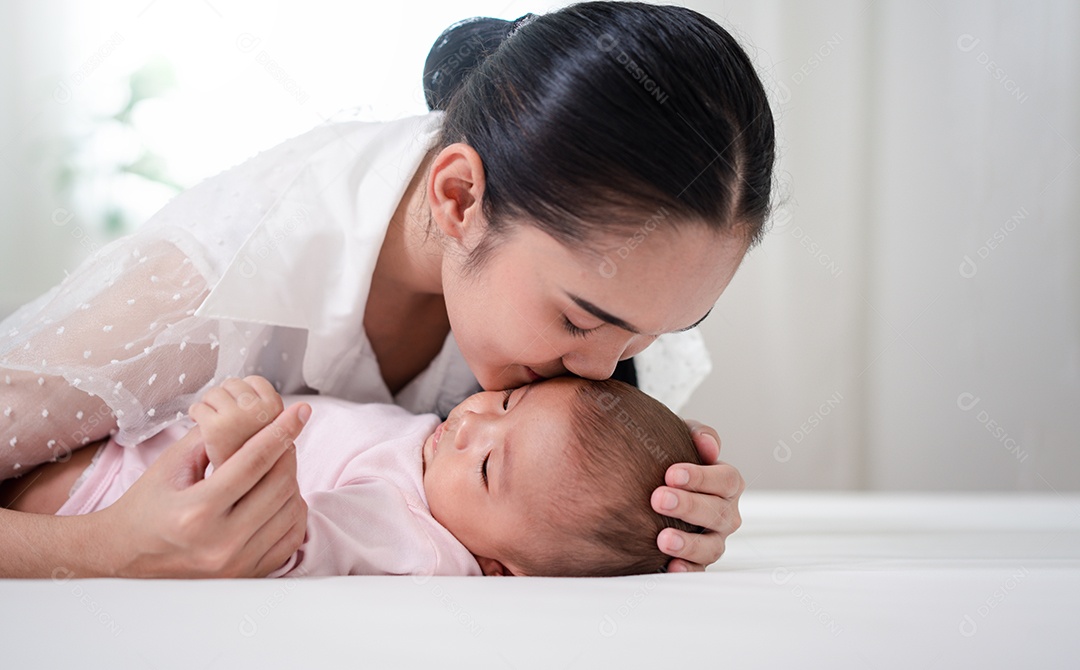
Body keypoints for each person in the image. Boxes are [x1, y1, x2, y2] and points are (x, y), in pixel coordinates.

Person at [0, 1, 772, 577]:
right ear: (460, 198)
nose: (604, 372)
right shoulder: (204, 287)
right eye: (579, 320)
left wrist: (662, 518)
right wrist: (97, 549)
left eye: (652, 335)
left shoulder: (603, 287)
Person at [2, 375, 704, 578]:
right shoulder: (436, 457)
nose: (469, 425)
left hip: (118, 494)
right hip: (129, 448)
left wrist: (252, 448)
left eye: (489, 466)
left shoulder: (420, 541)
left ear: (499, 569)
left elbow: (295, 541)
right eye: (508, 404)